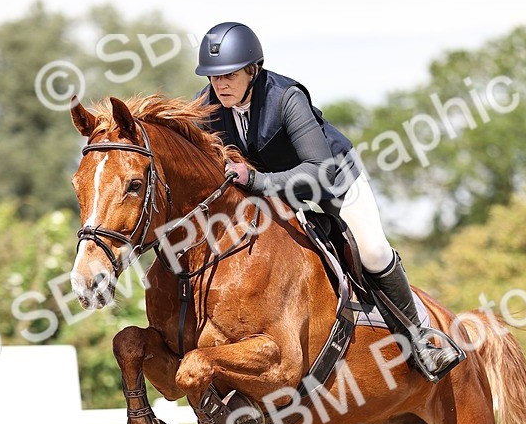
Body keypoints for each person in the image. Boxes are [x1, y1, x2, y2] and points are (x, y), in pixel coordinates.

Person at [195, 21, 462, 380]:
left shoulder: (286, 98)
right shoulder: (208, 105)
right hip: (273, 194)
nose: (220, 84)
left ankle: (420, 340)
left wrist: (256, 180)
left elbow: (319, 171)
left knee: (373, 251)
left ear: (253, 70)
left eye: (229, 75)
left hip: (332, 180)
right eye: (214, 77)